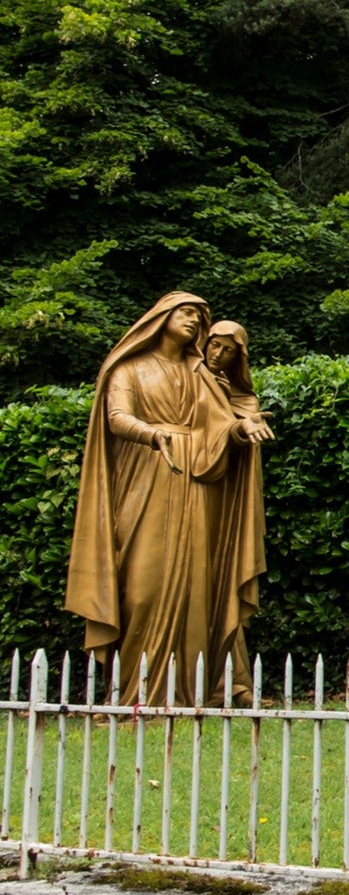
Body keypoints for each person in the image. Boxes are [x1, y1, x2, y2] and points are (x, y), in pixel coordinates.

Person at [65, 294, 269, 705]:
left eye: (201, 317)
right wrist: (153, 434)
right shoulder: (129, 368)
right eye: (187, 313)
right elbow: (116, 417)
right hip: (145, 481)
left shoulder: (203, 374)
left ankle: (200, 688)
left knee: (202, 585)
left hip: (197, 485)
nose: (195, 321)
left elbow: (220, 422)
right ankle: (134, 693)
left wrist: (239, 431)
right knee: (142, 587)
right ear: (161, 317)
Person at [202, 320, 272, 700]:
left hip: (221, 506)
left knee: (222, 584)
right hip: (182, 494)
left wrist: (241, 423)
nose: (218, 355)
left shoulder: (240, 396)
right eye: (214, 345)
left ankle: (230, 679)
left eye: (229, 351)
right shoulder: (189, 382)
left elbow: (244, 419)